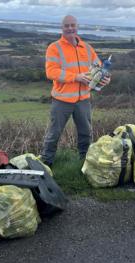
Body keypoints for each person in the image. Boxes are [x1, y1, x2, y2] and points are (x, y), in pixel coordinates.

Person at [41, 15, 111, 167]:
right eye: (67, 25)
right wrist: (76, 77)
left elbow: (98, 69)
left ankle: (85, 163)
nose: (70, 28)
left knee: (86, 133)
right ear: (62, 28)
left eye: (73, 25)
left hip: (83, 99)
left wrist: (105, 79)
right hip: (61, 100)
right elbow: (51, 72)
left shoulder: (87, 48)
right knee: (54, 134)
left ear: (77, 26)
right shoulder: (54, 48)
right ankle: (46, 163)